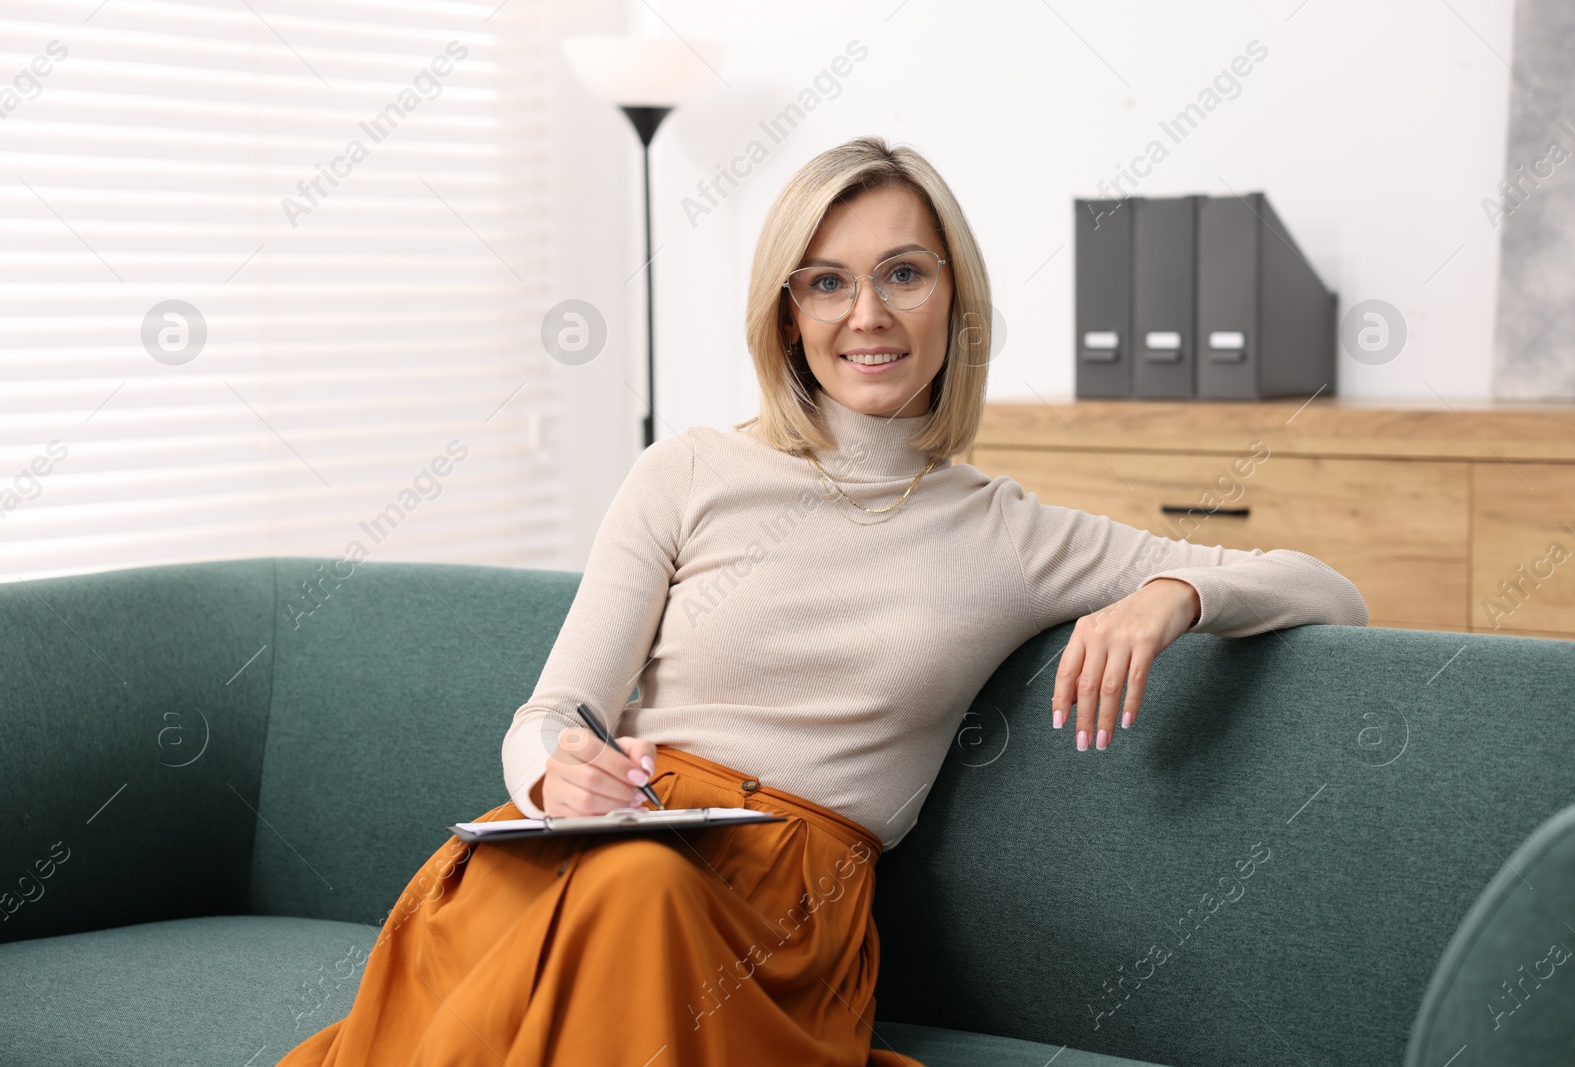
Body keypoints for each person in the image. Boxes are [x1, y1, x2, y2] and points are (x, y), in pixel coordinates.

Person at [279, 135, 1368, 1067]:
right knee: (613, 883)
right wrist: (553, 773)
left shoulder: (1007, 528)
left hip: (773, 918)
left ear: (954, 296)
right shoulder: (688, 470)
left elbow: (1330, 587)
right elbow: (549, 713)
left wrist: (1174, 592)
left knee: (638, 897)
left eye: (904, 273)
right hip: (593, 846)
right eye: (827, 281)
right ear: (787, 310)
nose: (868, 315)